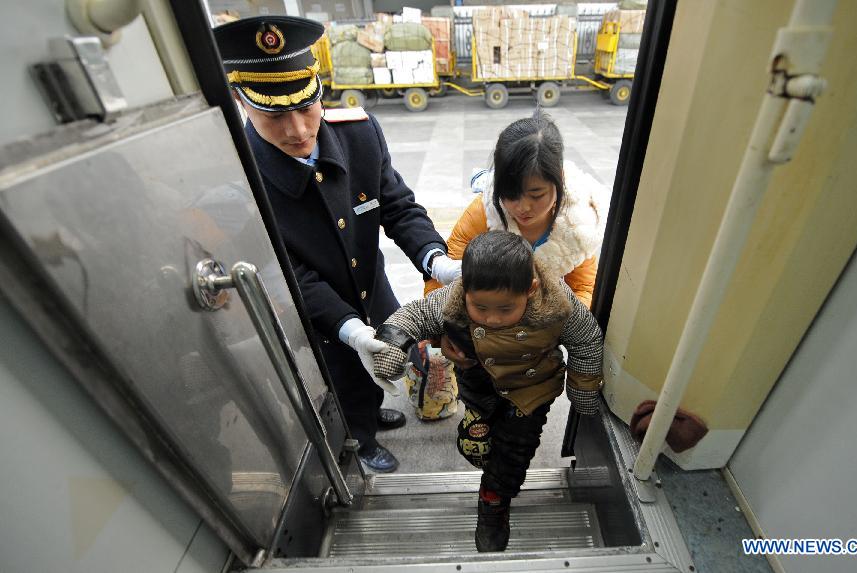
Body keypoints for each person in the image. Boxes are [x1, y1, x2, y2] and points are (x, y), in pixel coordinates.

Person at [213, 16, 462, 473]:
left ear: (318, 88)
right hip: (318, 313)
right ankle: (359, 440)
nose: (297, 129)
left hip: (373, 287)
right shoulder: (240, 176)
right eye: (274, 115)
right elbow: (287, 272)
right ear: (241, 101)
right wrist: (349, 328)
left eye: (307, 107)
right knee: (340, 378)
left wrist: (437, 261)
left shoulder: (359, 134)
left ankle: (369, 414)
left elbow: (398, 208)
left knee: (385, 356)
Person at [370, 230, 604, 552]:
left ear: (531, 289)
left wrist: (583, 393)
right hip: (479, 384)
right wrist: (392, 347)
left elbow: (587, 340)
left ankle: (493, 505)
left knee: (513, 453)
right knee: (476, 444)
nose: (492, 319)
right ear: (466, 291)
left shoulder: (559, 305)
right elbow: (417, 314)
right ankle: (490, 462)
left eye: (505, 310)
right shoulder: (453, 297)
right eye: (480, 308)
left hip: (530, 391)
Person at [423, 110, 610, 309]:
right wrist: (440, 329)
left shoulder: (578, 224)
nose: (523, 207)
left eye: (536, 195)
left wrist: (566, 329)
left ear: (559, 180)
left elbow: (582, 288)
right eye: (510, 193)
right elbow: (442, 280)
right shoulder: (484, 214)